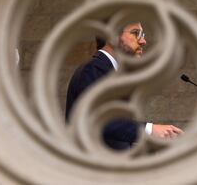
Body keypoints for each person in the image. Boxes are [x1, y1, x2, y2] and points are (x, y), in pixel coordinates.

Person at [65, 22, 183, 150]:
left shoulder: (112, 73)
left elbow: (118, 129)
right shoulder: (93, 68)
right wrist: (150, 130)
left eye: (142, 34)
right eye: (135, 33)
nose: (143, 41)